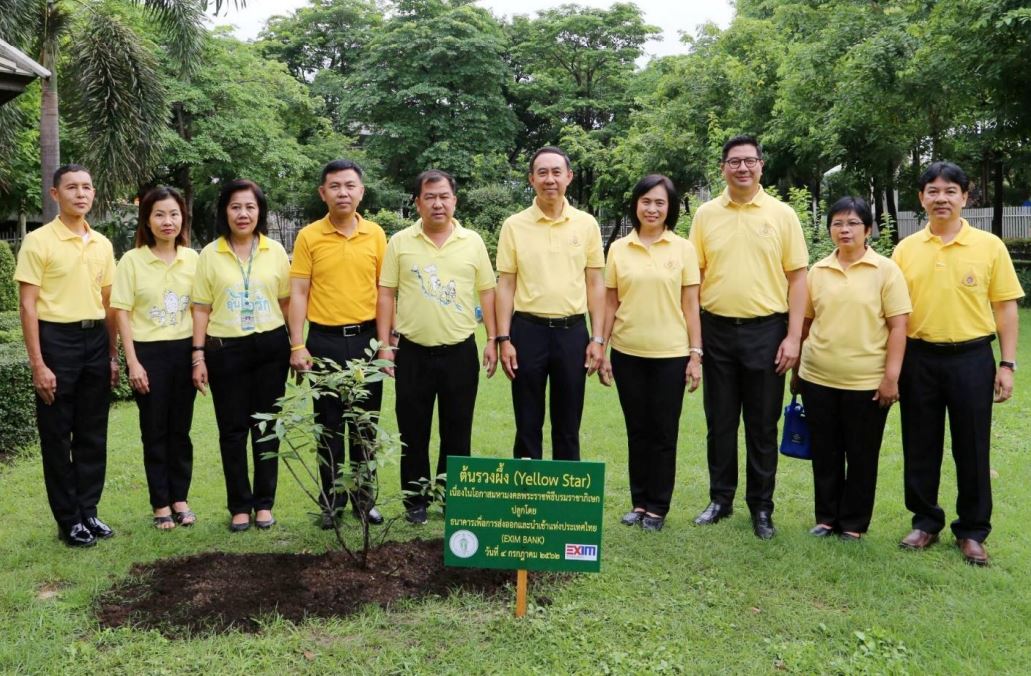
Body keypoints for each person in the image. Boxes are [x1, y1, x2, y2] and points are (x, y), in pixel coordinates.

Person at [892, 162, 1024, 565]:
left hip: (971, 358)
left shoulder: (989, 246)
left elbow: (1005, 308)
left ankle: (972, 530)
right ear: (921, 198)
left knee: (972, 446)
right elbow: (894, 313)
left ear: (965, 197)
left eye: (951, 191)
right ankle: (925, 521)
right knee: (920, 443)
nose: (941, 198)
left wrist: (1007, 364)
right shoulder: (905, 250)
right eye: (933, 191)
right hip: (919, 357)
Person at [688, 135, 809, 540]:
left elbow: (798, 279)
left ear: (761, 165)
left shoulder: (782, 215)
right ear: (723, 167)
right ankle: (720, 499)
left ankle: (761, 507)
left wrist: (793, 337)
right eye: (734, 161)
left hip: (767, 332)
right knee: (720, 422)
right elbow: (694, 278)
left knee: (762, 425)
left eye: (749, 161)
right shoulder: (706, 214)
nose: (742, 168)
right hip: (717, 330)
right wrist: (695, 340)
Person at [377, 170, 498, 524]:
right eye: (429, 197)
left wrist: (493, 339)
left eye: (444, 196)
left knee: (457, 430)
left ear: (454, 200)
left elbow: (488, 292)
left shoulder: (472, 242)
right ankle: (415, 501)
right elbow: (386, 294)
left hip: (460, 351)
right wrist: (385, 346)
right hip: (412, 352)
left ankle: (452, 498)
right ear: (417, 202)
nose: (437, 203)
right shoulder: (400, 242)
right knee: (413, 430)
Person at [793, 197, 911, 541]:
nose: (844, 230)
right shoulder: (818, 271)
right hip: (818, 377)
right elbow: (805, 325)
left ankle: (854, 523)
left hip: (866, 382)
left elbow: (899, 327)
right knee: (825, 452)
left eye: (853, 223)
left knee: (861, 455)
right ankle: (826, 518)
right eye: (837, 223)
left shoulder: (886, 270)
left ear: (868, 230)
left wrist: (891, 378)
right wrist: (797, 370)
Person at [15, 164, 118, 547]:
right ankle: (69, 520)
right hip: (56, 340)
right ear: (55, 194)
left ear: (93, 194)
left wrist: (112, 355)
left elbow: (108, 304)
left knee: (93, 433)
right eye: (72, 187)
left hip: (95, 341)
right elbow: (28, 306)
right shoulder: (38, 241)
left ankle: (89, 511)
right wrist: (38, 363)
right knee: (57, 434)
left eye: (87, 187)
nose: (81, 193)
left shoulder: (103, 244)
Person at [598, 175, 702, 532]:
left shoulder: (683, 249)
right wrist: (602, 348)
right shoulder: (618, 249)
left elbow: (691, 305)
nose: (652, 209)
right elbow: (610, 303)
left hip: (670, 354)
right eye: (646, 201)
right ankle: (639, 502)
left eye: (660, 202)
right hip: (627, 352)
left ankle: (658, 507)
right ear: (636, 204)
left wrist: (695, 355)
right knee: (637, 431)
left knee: (663, 433)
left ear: (670, 208)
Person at [288, 160, 387, 529]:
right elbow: (299, 292)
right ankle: (331, 501)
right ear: (323, 193)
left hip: (366, 341)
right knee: (328, 426)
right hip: (324, 341)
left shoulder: (376, 234)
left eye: (349, 185)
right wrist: (297, 344)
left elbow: (383, 292)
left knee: (364, 425)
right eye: (334, 186)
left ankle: (364, 499)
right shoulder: (309, 236)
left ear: (361, 191)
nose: (342, 193)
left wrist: (385, 342)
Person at [191, 179, 291, 532]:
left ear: (260, 211)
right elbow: (201, 309)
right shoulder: (210, 254)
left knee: (267, 427)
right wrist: (198, 355)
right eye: (235, 207)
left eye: (250, 206)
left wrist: (296, 345)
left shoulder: (275, 251)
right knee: (232, 430)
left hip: (271, 348)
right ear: (225, 212)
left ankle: (264, 504)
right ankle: (239, 506)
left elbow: (286, 303)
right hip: (226, 350)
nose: (243, 214)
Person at [495, 146, 605, 461]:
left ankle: (566, 489)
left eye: (557, 172)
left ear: (569, 176)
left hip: (572, 333)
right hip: (527, 331)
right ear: (531, 179)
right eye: (542, 172)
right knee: (527, 423)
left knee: (568, 424)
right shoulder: (514, 225)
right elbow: (506, 284)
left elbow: (595, 284)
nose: (550, 179)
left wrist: (598, 339)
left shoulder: (586, 224)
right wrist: (504, 339)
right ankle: (527, 488)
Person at [112, 186, 199, 530]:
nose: (167, 221)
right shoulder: (132, 261)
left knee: (181, 431)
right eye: (159, 214)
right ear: (147, 220)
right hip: (148, 354)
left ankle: (181, 499)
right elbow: (122, 313)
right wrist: (132, 362)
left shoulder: (193, 259)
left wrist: (199, 357)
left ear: (182, 218)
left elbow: (201, 309)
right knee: (154, 431)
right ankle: (160, 503)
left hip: (184, 351)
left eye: (174, 214)